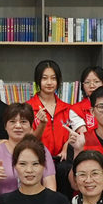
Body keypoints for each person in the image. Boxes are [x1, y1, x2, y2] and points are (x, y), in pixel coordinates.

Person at [28, 59, 82, 190]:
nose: (49, 82)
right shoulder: (28, 108)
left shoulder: (68, 109)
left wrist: (65, 146)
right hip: (38, 159)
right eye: (44, 78)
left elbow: (78, 133)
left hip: (63, 160)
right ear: (38, 80)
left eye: (53, 78)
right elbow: (28, 140)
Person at [0, 103, 56, 196]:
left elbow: (51, 187)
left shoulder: (42, 151)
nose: (18, 126)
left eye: (23, 122)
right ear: (5, 126)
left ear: (31, 126)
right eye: (12, 121)